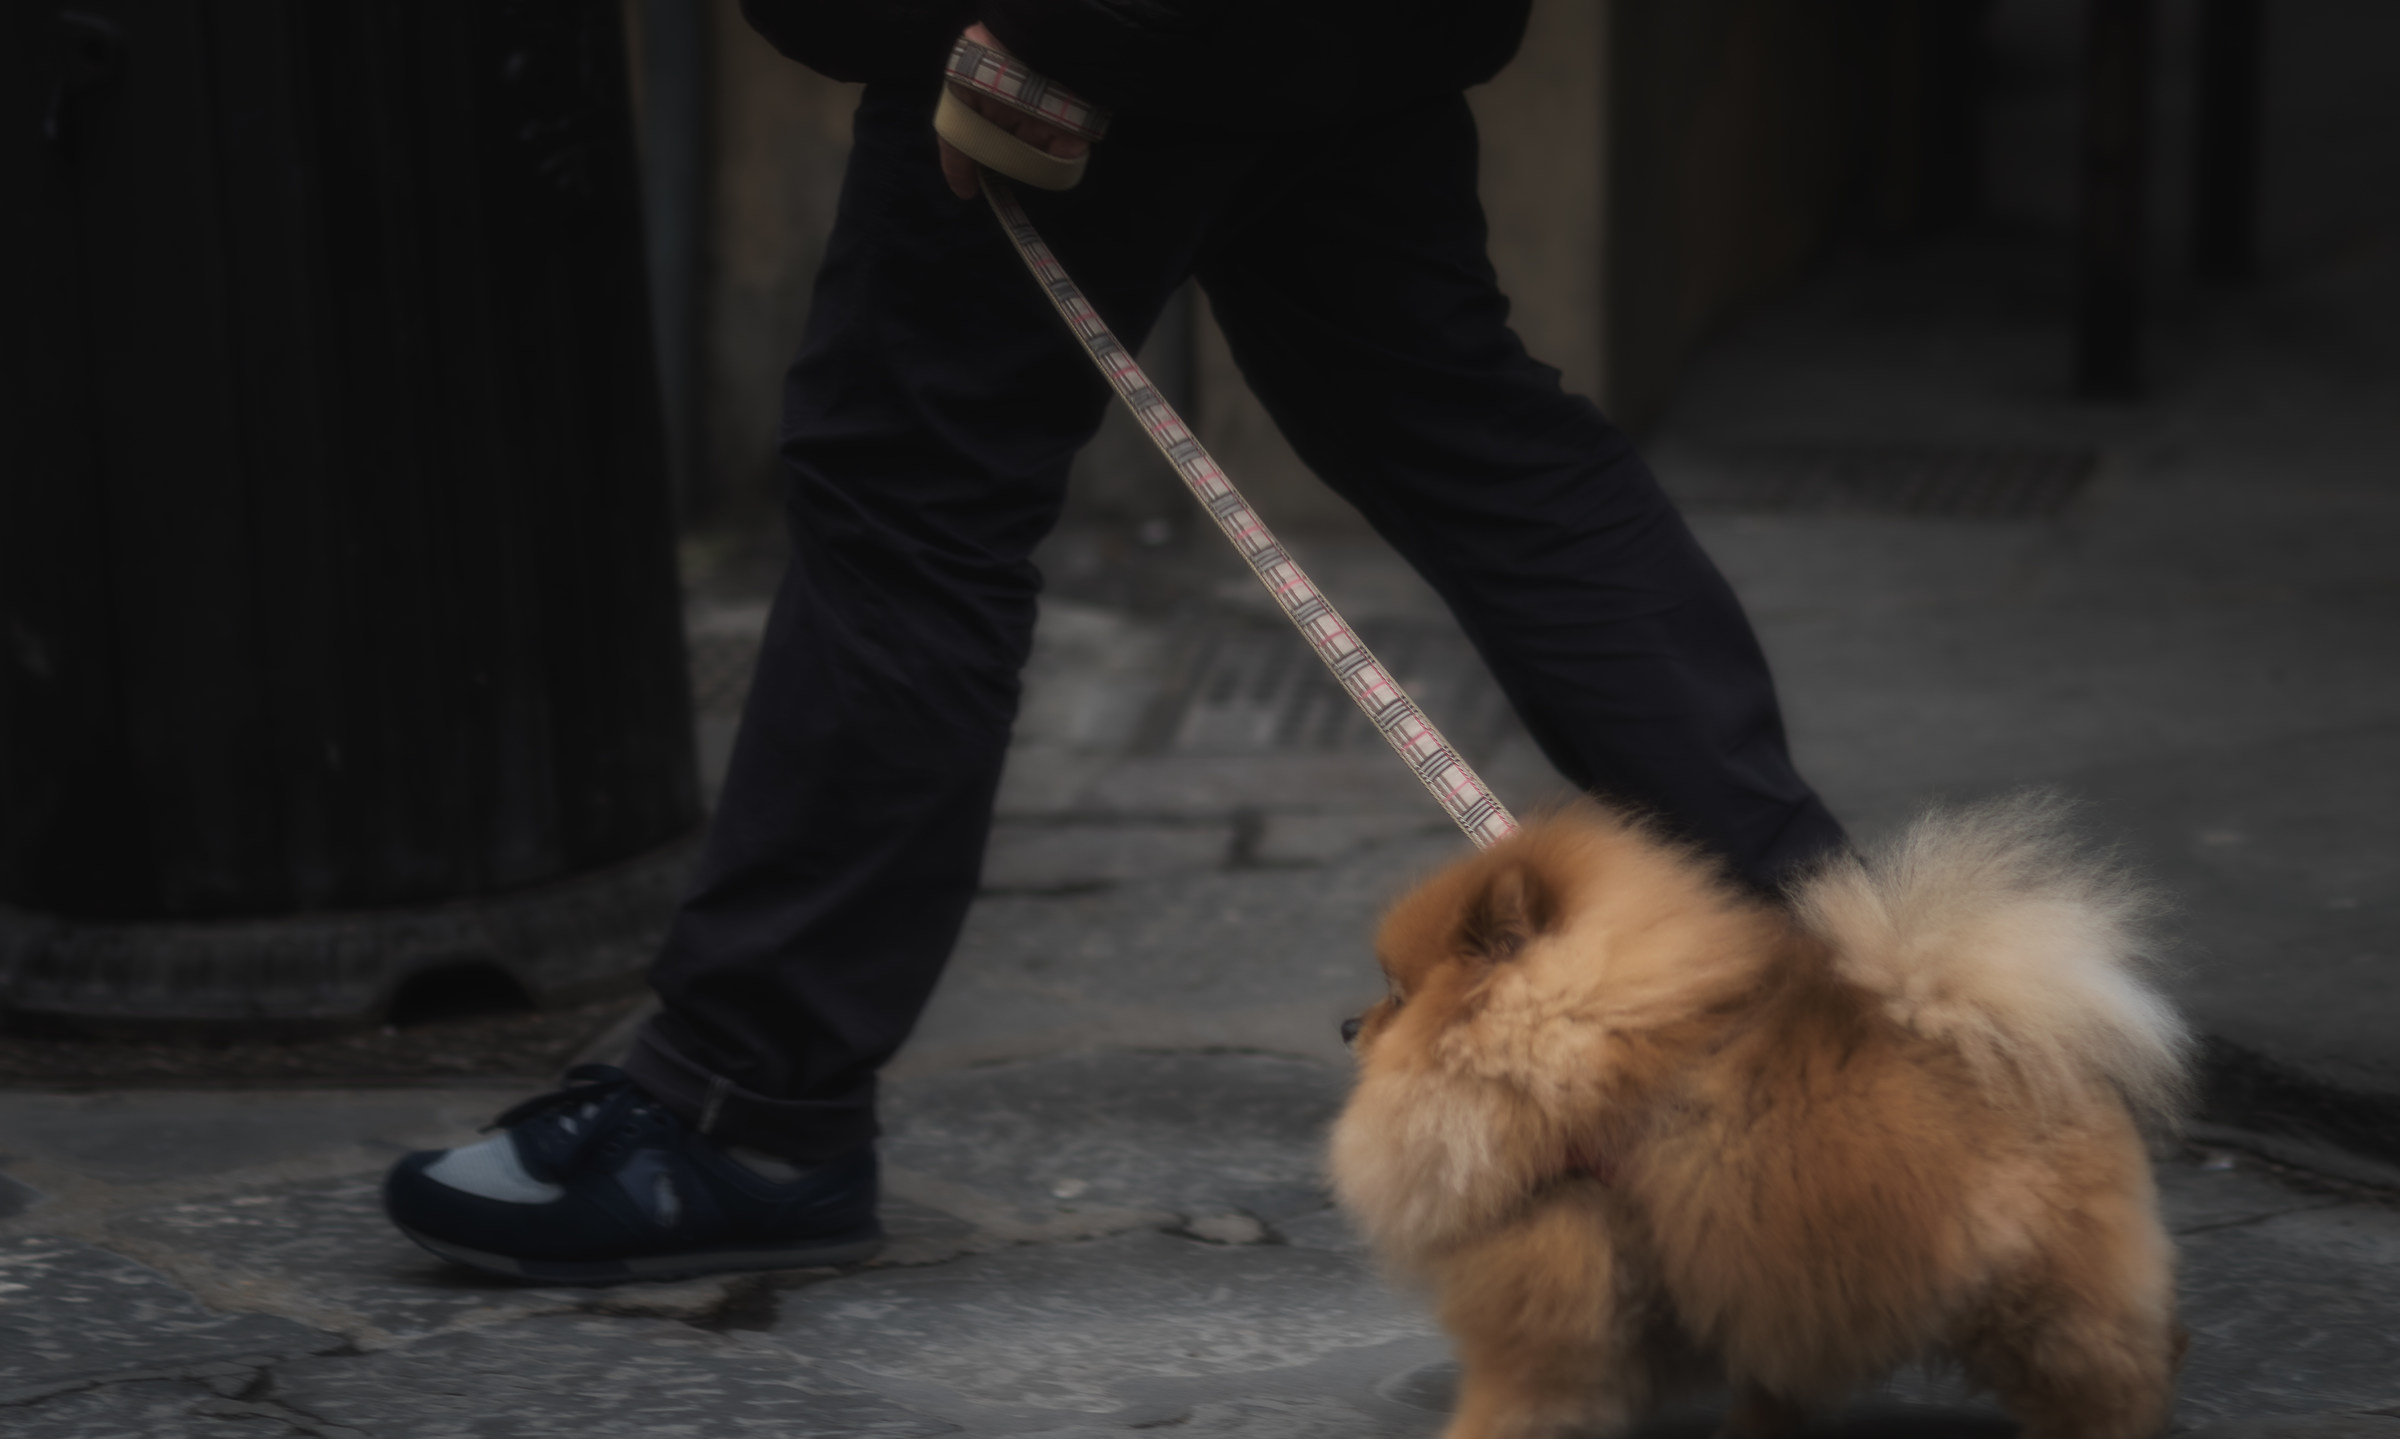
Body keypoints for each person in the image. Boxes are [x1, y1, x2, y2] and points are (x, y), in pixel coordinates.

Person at [380, 0, 1848, 1285]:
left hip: (1091, 41)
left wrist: (1063, 26)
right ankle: (1838, 965)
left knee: (910, 496)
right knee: (1466, 426)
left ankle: (744, 1105)